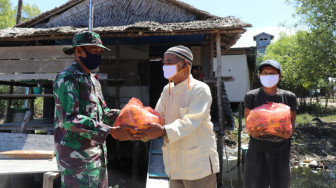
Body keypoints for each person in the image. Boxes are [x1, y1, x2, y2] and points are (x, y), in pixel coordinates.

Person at [53, 31, 136, 188]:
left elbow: (102, 113)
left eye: (100, 52)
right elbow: (70, 120)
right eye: (93, 51)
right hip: (76, 163)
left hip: (97, 158)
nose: (98, 55)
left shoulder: (93, 80)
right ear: (78, 51)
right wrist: (110, 131)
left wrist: (129, 114)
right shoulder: (67, 78)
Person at [134, 45, 219, 188]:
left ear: (185, 64)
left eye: (169, 62)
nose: (165, 66)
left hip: (198, 165)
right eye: (164, 63)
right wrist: (140, 126)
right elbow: (157, 117)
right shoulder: (167, 89)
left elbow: (191, 121)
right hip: (174, 163)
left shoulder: (200, 89)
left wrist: (163, 131)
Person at [243, 60, 297, 188]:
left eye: (272, 73)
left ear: (280, 76)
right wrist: (252, 132)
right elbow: (248, 123)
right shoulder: (251, 96)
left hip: (281, 152)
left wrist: (287, 134)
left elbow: (292, 123)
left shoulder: (289, 97)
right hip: (256, 151)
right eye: (265, 73)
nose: (268, 75)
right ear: (260, 76)